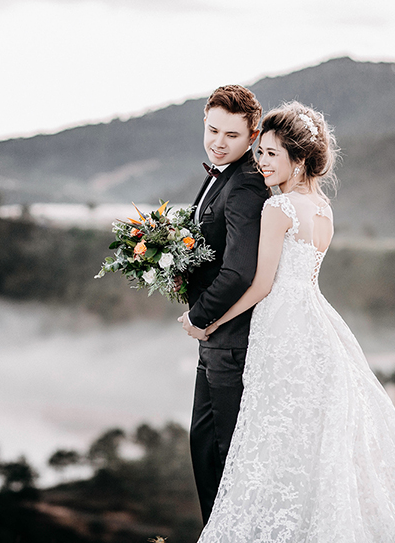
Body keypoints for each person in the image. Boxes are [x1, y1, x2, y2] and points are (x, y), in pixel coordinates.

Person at [184, 101, 395, 542]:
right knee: (308, 437)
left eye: (270, 153)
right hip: (315, 322)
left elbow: (261, 284)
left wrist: (211, 321)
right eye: (260, 152)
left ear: (298, 158)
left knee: (270, 432)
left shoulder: (278, 208)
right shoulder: (322, 207)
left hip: (281, 325)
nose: (260, 162)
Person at [177, 85, 269, 524]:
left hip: (229, 341)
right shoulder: (222, 173)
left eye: (231, 135)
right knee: (205, 447)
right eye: (213, 130)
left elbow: (239, 271)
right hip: (216, 338)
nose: (218, 142)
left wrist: (198, 315)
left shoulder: (245, 183)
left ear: (252, 136)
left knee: (222, 456)